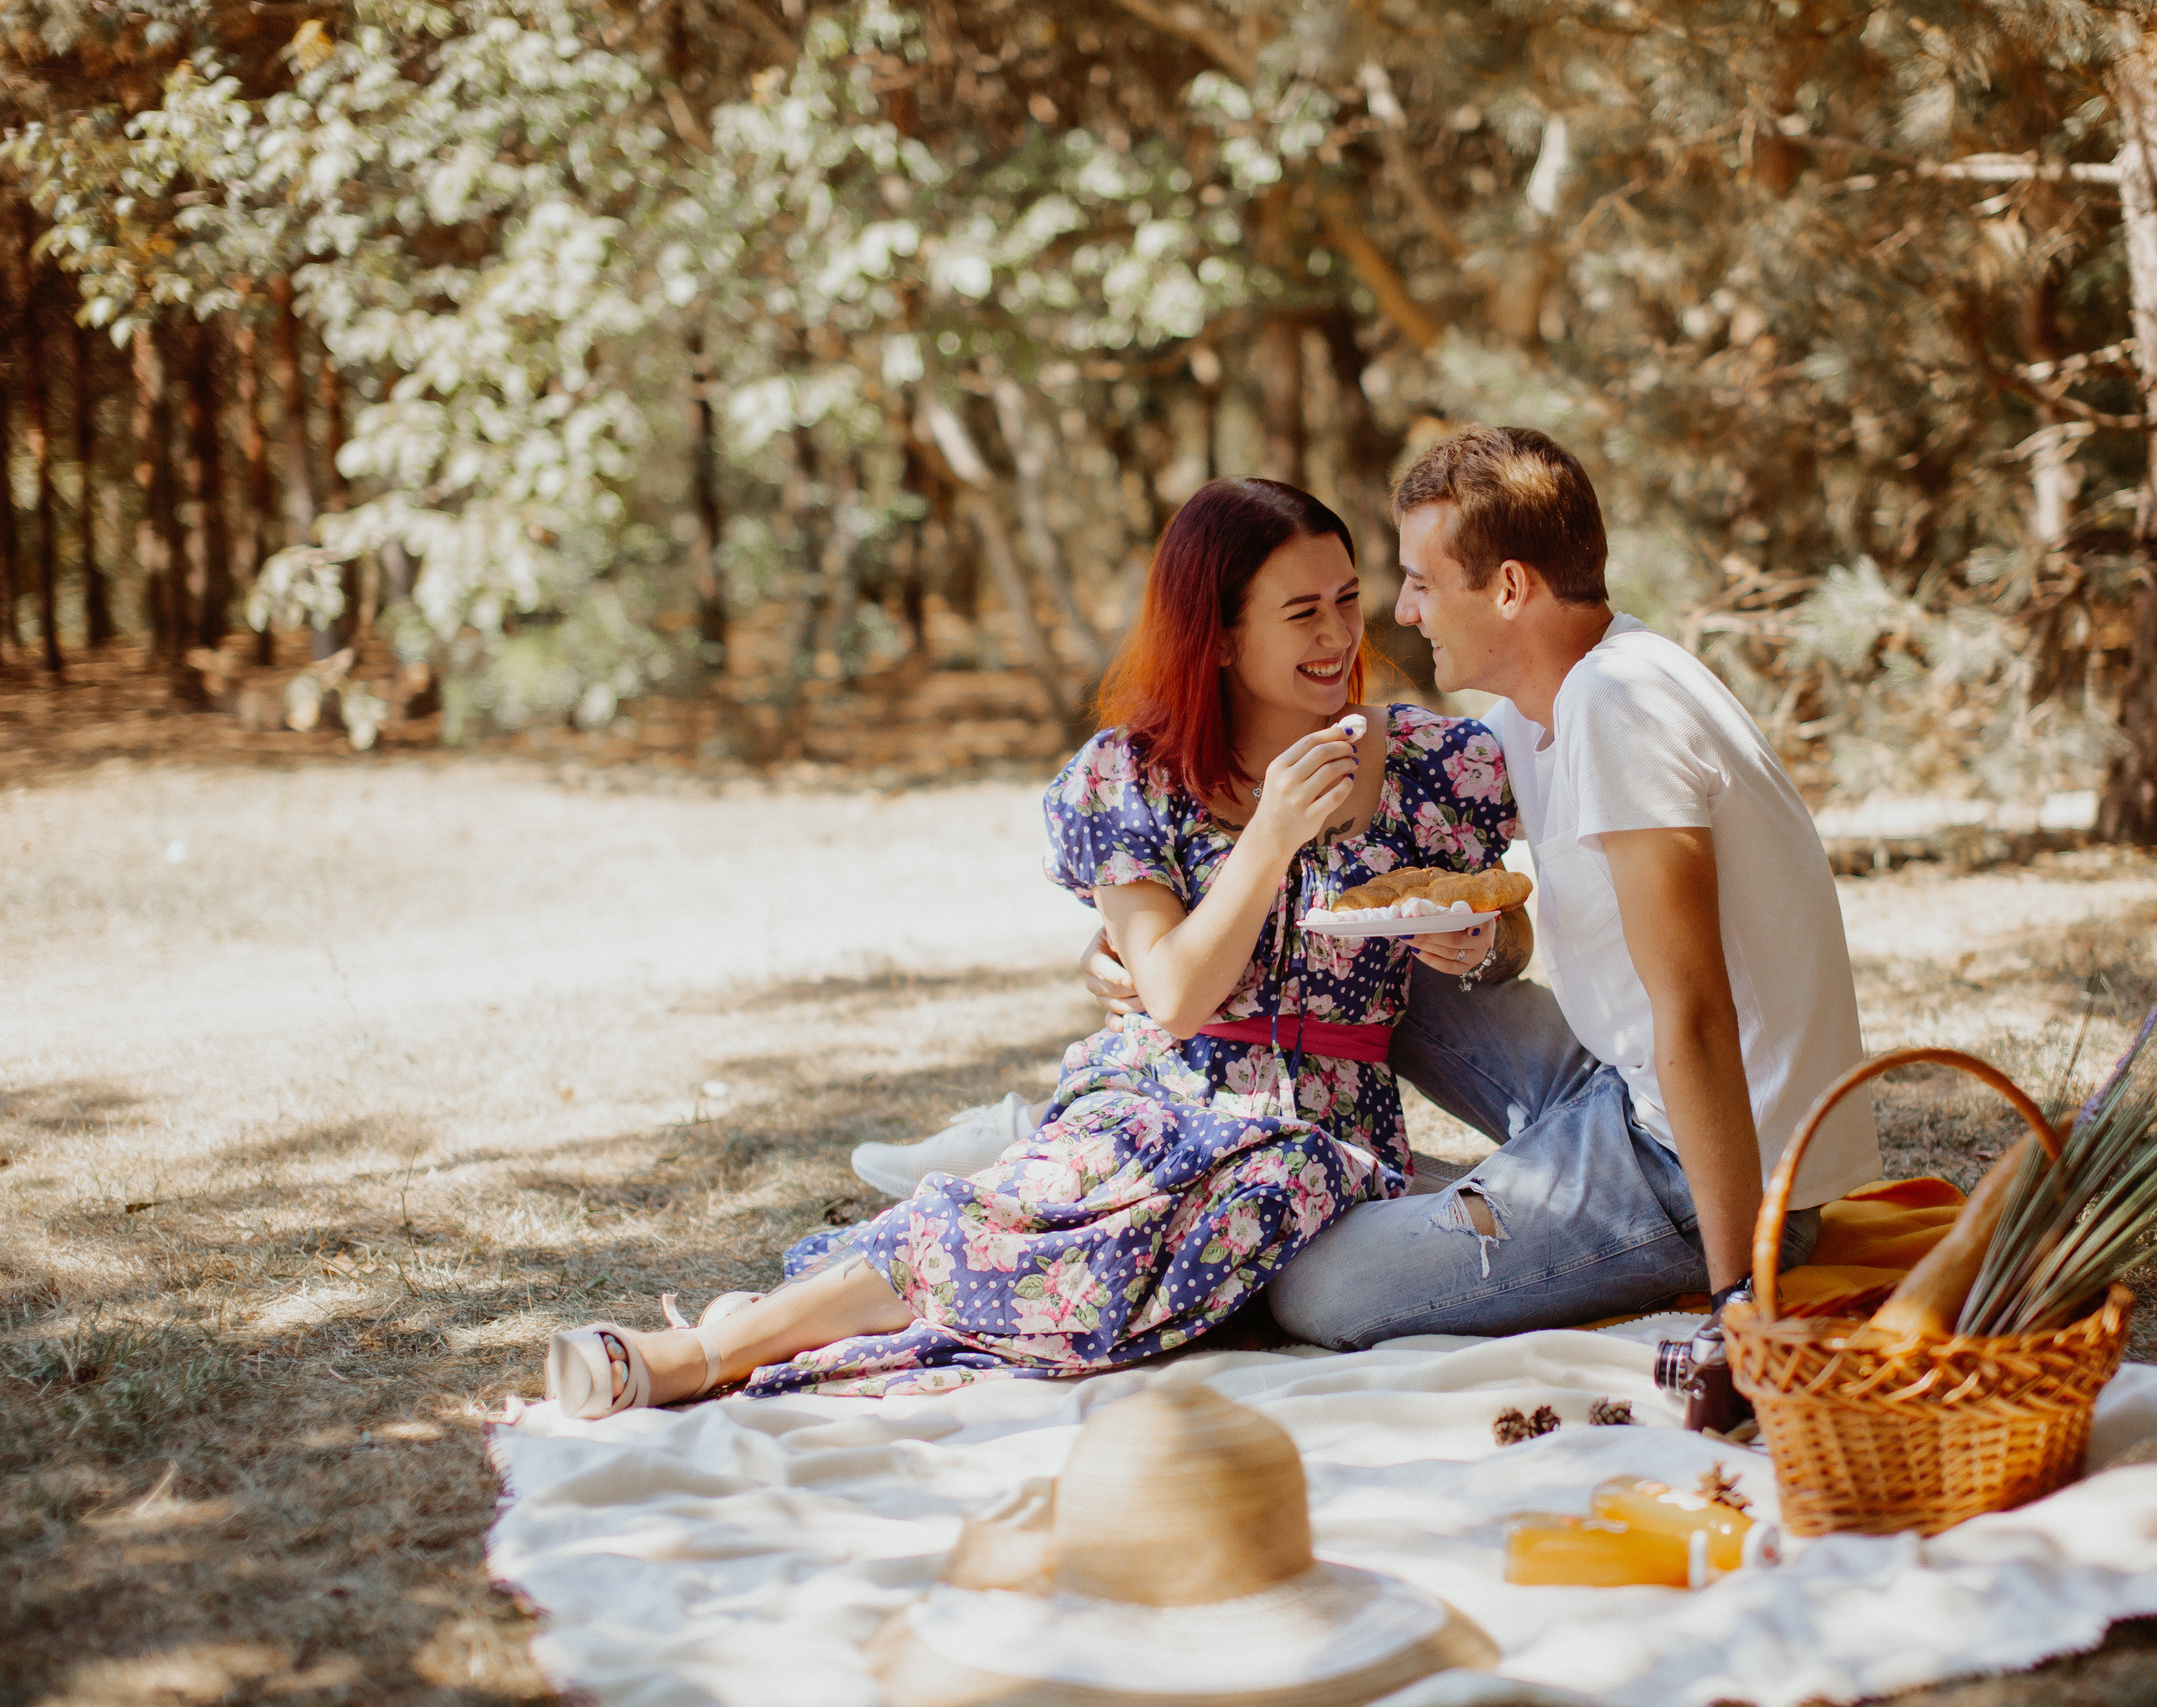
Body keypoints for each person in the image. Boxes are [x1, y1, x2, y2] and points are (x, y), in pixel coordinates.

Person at [543, 477, 1520, 1415]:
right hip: (1157, 1099)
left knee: (1204, 1226)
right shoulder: (1132, 776)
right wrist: (1268, 837)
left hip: (1320, 1139)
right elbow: (1173, 997)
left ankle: (800, 1331)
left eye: (1348, 599)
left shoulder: (1434, 766)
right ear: (1218, 638)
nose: (1340, 634)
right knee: (1033, 1220)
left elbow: (1508, 920)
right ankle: (714, 1350)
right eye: (1301, 611)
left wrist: (1485, 941)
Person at [1088, 427, 1878, 1344]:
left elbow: (1697, 1011)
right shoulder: (1540, 708)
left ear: (1509, 588)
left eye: (1420, 581)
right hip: (1625, 1085)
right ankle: (1378, 1184)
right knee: (1376, 962)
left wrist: (1740, 1293)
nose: (1402, 612)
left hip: (1714, 1164)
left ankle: (1403, 1204)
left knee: (1319, 1289)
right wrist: (1126, 946)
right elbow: (1445, 903)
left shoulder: (1615, 706)